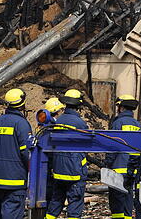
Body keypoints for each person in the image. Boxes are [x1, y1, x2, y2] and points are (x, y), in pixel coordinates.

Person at [0, 88, 32, 219]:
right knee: (12, 212)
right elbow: (26, 152)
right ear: (22, 104)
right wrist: (31, 169)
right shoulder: (22, 124)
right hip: (15, 180)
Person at [46, 89, 89, 219]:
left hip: (58, 170)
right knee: (75, 204)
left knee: (56, 201)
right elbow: (86, 145)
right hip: (75, 171)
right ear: (78, 105)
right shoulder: (80, 123)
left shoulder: (58, 121)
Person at [106, 95, 140, 219]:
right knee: (128, 198)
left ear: (121, 108)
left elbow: (113, 146)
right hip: (132, 170)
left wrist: (108, 163)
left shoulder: (117, 123)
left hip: (118, 168)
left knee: (116, 200)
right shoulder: (137, 124)